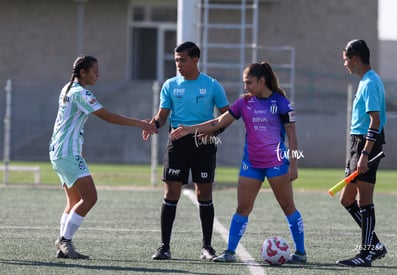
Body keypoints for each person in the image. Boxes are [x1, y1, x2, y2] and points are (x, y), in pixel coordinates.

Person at [170, 62, 307, 264]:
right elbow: (217, 122)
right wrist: (190, 129)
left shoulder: (282, 103)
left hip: (277, 164)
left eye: (249, 82)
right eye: (245, 83)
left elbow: (293, 138)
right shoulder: (244, 103)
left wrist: (293, 165)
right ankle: (230, 252)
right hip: (251, 164)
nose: (246, 87)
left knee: (288, 207)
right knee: (242, 208)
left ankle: (301, 253)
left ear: (262, 81)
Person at [49, 55, 157, 259]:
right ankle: (65, 240)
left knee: (73, 201)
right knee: (90, 197)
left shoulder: (68, 88)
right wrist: (141, 124)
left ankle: (63, 243)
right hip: (67, 152)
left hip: (58, 151)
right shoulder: (82, 93)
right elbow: (107, 116)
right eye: (95, 71)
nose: (98, 75)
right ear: (83, 72)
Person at [142, 41, 229, 260]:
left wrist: (214, 133)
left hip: (204, 144)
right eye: (176, 60)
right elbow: (162, 115)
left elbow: (227, 116)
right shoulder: (170, 85)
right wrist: (153, 124)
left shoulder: (212, 85)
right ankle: (164, 247)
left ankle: (207, 247)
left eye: (183, 60)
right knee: (171, 192)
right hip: (177, 143)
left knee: (204, 193)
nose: (178, 64)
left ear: (196, 59)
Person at [336, 39, 387, 267]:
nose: (345, 64)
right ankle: (374, 245)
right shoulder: (366, 81)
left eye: (346, 59)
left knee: (365, 200)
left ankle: (366, 254)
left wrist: (365, 153)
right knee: (347, 199)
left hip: (366, 145)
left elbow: (375, 120)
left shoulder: (369, 83)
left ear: (355, 58)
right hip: (357, 144)